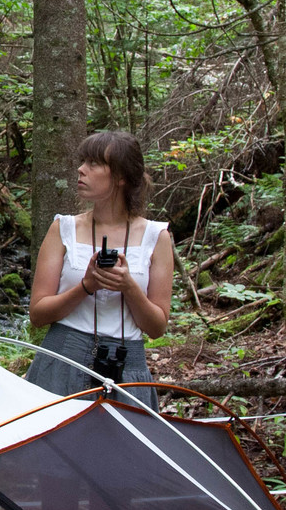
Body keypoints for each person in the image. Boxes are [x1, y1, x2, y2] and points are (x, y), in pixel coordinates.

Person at [25, 130, 175, 396]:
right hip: (61, 361)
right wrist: (86, 286)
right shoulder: (63, 228)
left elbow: (157, 328)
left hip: (126, 368)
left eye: (93, 164)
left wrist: (129, 287)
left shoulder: (157, 237)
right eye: (83, 162)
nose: (81, 170)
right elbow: (37, 314)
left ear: (120, 177)